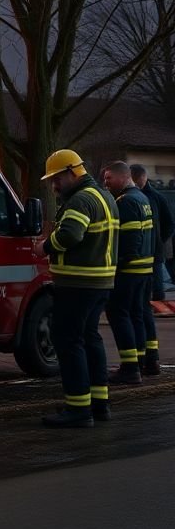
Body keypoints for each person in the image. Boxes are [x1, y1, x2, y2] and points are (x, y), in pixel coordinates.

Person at [32, 149, 117, 428]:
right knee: (90, 337)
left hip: (78, 282)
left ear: (72, 172)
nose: (54, 185)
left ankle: (78, 408)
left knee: (68, 340)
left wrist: (44, 246)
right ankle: (98, 403)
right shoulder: (104, 197)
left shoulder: (80, 200)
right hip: (100, 282)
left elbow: (70, 234)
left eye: (56, 178)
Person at [102, 162, 154, 386]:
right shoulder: (142, 199)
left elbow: (130, 240)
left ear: (124, 177)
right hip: (144, 269)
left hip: (129, 270)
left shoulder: (126, 202)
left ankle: (130, 368)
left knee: (118, 313)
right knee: (136, 314)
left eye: (109, 178)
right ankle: (139, 362)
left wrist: (118, 263)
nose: (105, 183)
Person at [130, 164, 172, 375]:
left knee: (144, 306)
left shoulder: (153, 198)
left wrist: (156, 243)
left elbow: (168, 224)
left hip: (150, 258)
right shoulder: (143, 198)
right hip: (148, 258)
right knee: (143, 309)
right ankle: (149, 356)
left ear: (140, 178)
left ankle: (145, 357)